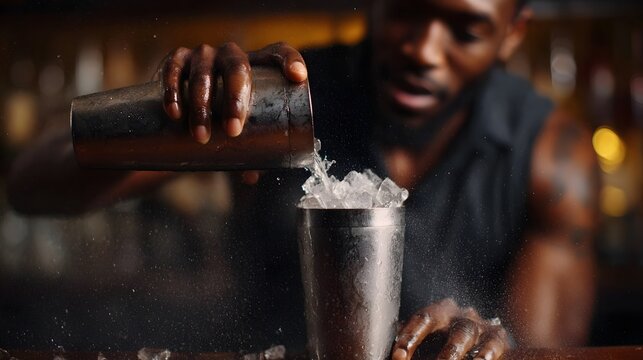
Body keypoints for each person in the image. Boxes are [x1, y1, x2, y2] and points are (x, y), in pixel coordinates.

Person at [7, 0, 599, 358]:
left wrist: (492, 339)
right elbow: (30, 186)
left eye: (465, 30)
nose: (423, 48)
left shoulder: (554, 157)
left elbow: (546, 347)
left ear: (513, 33)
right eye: (407, 11)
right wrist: (188, 114)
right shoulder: (283, 98)